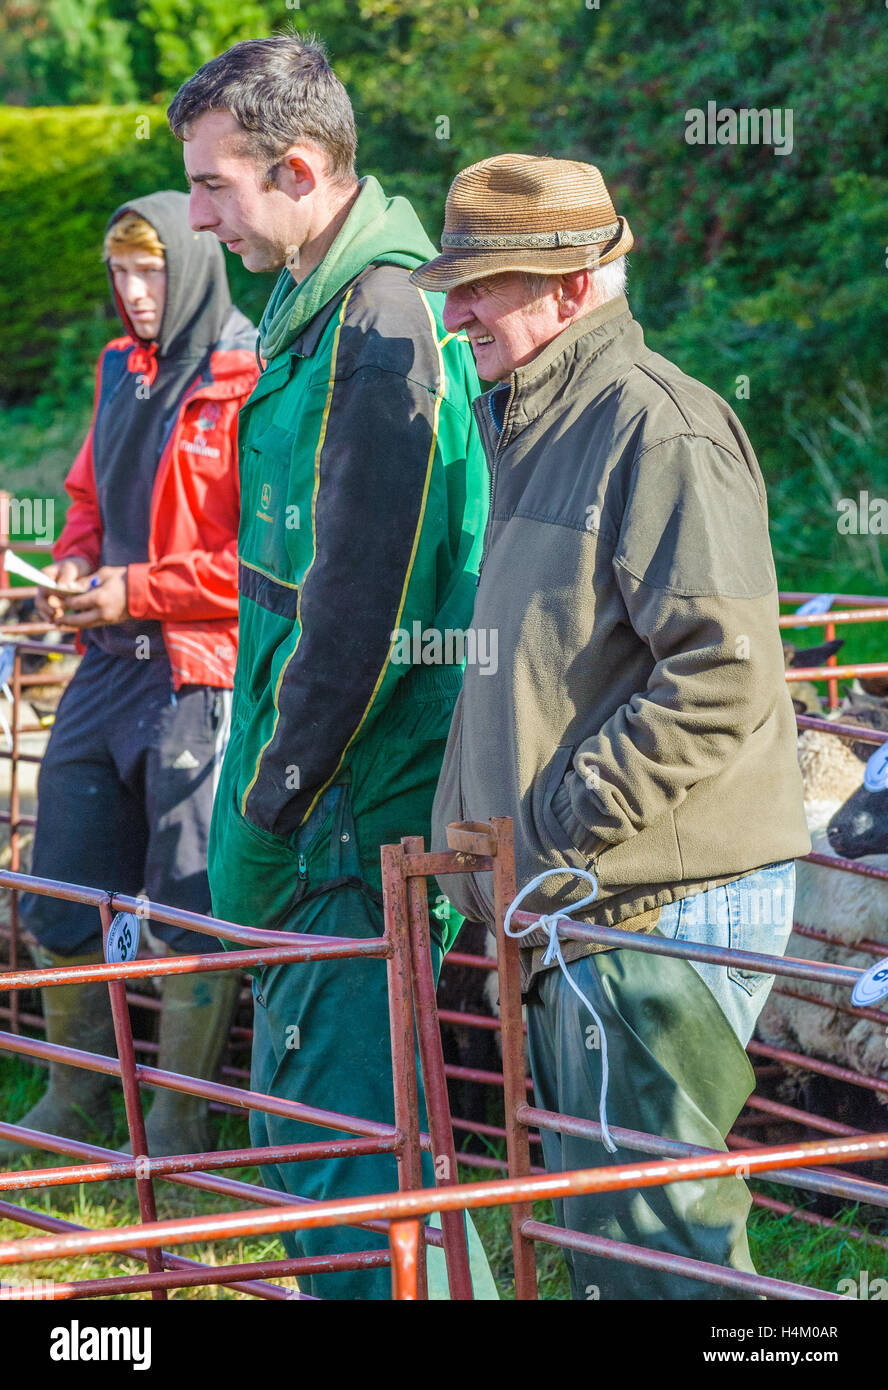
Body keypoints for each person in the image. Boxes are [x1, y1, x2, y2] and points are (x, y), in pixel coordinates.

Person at [415, 154, 812, 1300]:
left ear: (578, 282)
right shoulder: (541, 419)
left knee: (662, 1247)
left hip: (647, 899)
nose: (457, 309)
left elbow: (724, 675)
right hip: (593, 894)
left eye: (484, 283)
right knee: (610, 1236)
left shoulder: (659, 428)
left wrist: (553, 829)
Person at [167, 34, 497, 1300]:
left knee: (343, 1148)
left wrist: (278, 790)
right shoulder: (327, 298)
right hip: (333, 797)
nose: (199, 218)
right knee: (370, 1140)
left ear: (298, 168)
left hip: (353, 810)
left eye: (215, 187)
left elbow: (363, 600)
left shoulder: (385, 316)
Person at [0, 192, 259, 1161]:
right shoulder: (120, 370)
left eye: (151, 270)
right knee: (59, 887)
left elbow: (264, 564)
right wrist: (72, 561)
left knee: (186, 902)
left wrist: (137, 590)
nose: (134, 291)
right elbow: (84, 497)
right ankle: (78, 1099)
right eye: (120, 271)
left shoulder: (249, 379)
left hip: (197, 672)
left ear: (192, 268)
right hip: (104, 669)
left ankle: (179, 1119)